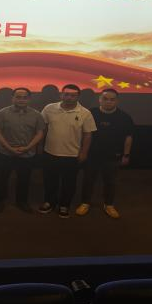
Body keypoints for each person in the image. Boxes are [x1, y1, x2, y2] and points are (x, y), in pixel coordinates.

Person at [39, 84, 96, 218]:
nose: (69, 97)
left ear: (78, 96)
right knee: (49, 180)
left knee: (69, 183)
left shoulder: (85, 113)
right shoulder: (49, 108)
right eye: (66, 94)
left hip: (72, 155)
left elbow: (88, 135)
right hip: (50, 152)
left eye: (73, 95)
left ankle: (64, 205)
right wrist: (40, 146)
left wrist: (84, 153)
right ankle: (49, 202)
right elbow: (43, 128)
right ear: (61, 95)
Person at [78, 88, 135, 219]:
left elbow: (128, 137)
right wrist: (81, 151)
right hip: (91, 155)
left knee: (110, 182)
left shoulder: (124, 117)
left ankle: (109, 205)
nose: (108, 102)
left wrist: (126, 155)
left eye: (112, 99)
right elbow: (81, 133)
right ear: (100, 99)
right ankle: (85, 203)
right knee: (88, 181)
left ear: (117, 101)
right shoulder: (90, 113)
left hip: (113, 156)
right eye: (105, 99)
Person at [0, 87, 46, 213]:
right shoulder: (2, 113)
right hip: (5, 152)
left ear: (29, 99)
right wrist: (9, 148)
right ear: (12, 98)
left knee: (24, 179)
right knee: (1, 179)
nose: (21, 100)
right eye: (18, 97)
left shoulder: (36, 115)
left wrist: (28, 147)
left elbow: (40, 133)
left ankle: (22, 202)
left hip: (27, 153)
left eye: (25, 97)